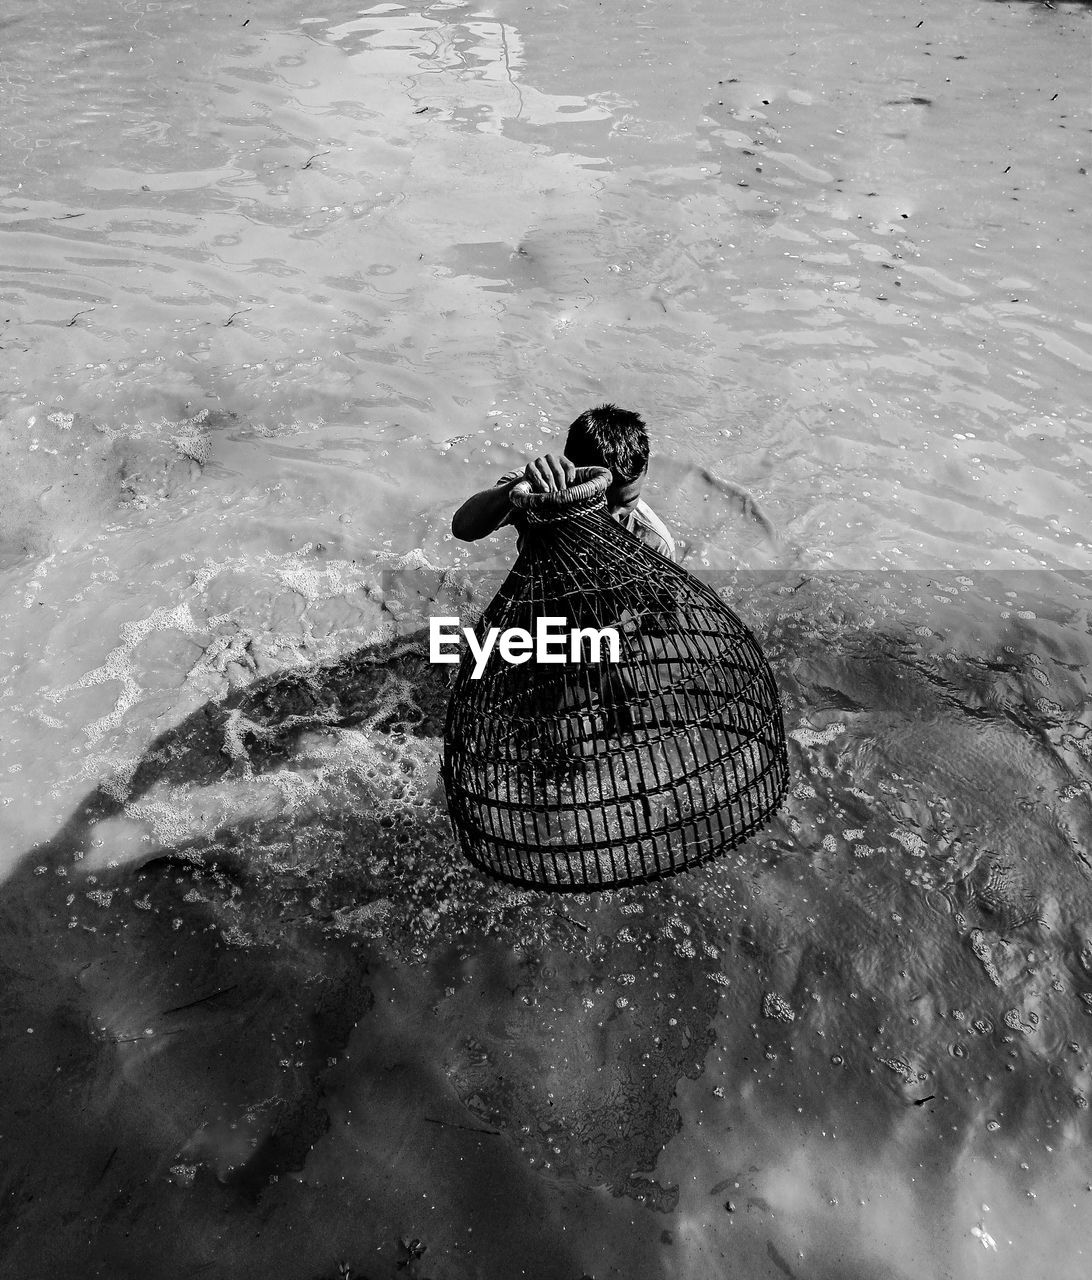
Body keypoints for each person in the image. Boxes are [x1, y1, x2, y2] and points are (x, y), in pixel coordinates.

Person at [451, 403, 677, 560]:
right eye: (602, 503)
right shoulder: (536, 491)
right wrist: (516, 489)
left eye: (629, 501)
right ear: (573, 473)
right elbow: (463, 529)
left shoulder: (654, 542)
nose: (614, 519)